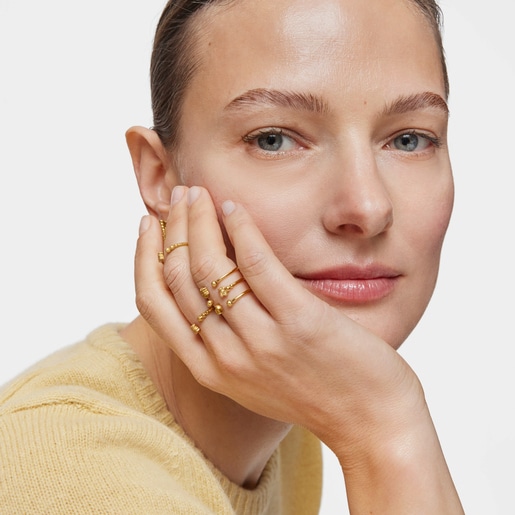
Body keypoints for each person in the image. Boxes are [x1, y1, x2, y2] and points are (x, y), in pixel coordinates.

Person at [0, 0, 464, 513]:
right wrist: (385, 430)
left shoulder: (289, 416)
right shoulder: (72, 474)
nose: (368, 207)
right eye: (274, 139)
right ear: (159, 174)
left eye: (409, 138)